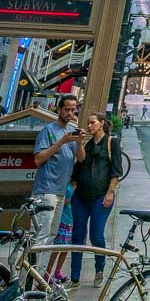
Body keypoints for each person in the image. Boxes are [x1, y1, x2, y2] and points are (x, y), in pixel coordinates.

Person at [31, 95, 84, 270]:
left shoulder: (71, 131)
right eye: (67, 109)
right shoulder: (49, 130)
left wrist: (79, 142)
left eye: (73, 110)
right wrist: (61, 142)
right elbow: (38, 159)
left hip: (61, 191)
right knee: (41, 235)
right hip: (46, 190)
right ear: (59, 110)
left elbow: (81, 158)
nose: (70, 113)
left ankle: (40, 275)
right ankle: (28, 278)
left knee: (52, 235)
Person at [70, 112, 123, 289]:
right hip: (81, 197)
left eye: (92, 122)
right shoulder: (87, 144)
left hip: (101, 196)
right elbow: (81, 161)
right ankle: (75, 276)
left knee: (96, 235)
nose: (89, 125)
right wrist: (79, 143)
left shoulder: (111, 142)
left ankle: (99, 268)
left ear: (101, 123)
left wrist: (110, 192)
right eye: (88, 123)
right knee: (77, 236)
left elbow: (116, 170)